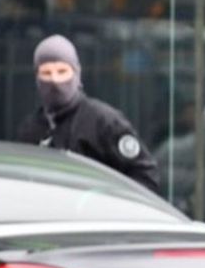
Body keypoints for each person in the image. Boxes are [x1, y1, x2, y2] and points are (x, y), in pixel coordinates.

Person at [16, 34, 160, 192]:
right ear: (37, 78)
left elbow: (145, 176)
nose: (55, 81)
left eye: (62, 71)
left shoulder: (104, 122)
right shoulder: (31, 129)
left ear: (76, 74)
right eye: (47, 73)